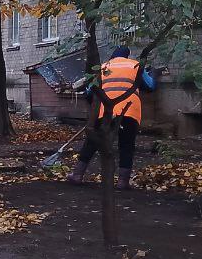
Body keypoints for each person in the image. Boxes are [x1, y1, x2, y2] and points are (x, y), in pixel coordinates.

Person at [67, 45, 156, 190]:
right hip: (129, 112)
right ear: (127, 56)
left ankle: (77, 174)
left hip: (105, 112)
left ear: (113, 56)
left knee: (92, 142)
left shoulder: (103, 67)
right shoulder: (135, 65)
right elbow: (151, 86)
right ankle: (122, 182)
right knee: (126, 145)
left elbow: (89, 92)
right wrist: (153, 74)